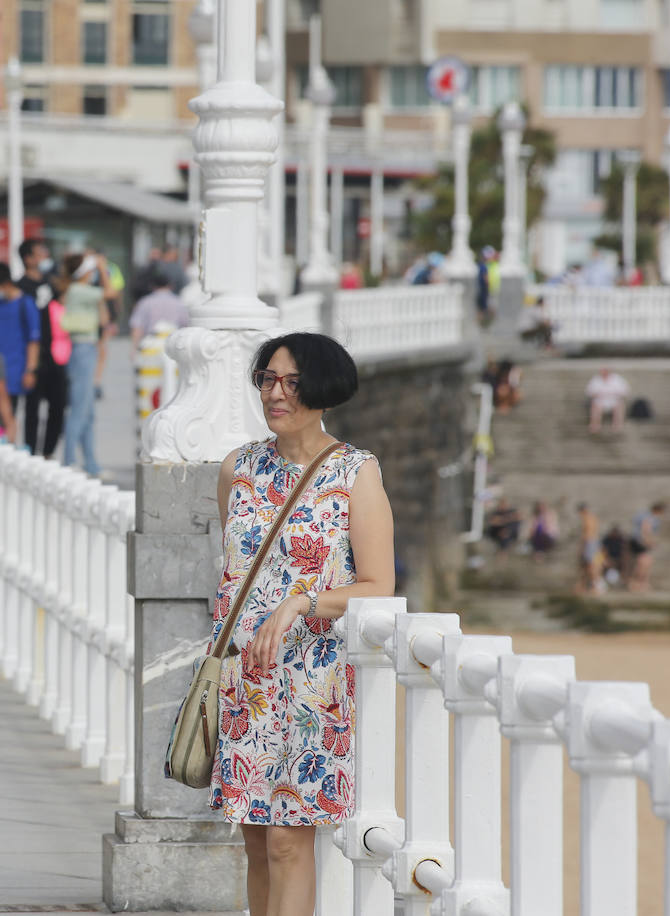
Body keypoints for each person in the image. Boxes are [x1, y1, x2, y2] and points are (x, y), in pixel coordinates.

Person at [209, 331, 394, 913]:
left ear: (323, 389)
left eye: (291, 382)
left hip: (312, 686)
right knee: (256, 842)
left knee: (290, 842)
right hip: (245, 678)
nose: (275, 393)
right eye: (267, 380)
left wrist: (300, 603)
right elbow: (237, 574)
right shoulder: (238, 468)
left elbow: (377, 584)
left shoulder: (354, 472)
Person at [57, 252, 112, 477]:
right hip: (81, 350)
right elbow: (111, 292)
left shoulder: (82, 292)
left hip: (86, 348)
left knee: (88, 413)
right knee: (79, 411)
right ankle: (69, 461)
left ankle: (91, 464)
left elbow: (104, 319)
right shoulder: (79, 290)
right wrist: (102, 268)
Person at [17, 238, 69, 459]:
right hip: (33, 356)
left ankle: (48, 452)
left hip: (56, 354)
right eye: (39, 253)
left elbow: (65, 296)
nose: (44, 257)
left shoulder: (51, 282)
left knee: (58, 405)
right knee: (32, 408)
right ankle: (30, 452)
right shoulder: (20, 287)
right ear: (28, 258)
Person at [0, 262, 41, 423]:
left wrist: (30, 370)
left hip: (14, 370)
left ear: (6, 283)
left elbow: (33, 341)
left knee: (9, 417)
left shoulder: (25, 304)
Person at [128, 271, 190, 347]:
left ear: (152, 286)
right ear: (170, 285)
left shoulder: (145, 302)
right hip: (172, 344)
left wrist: (133, 349)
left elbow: (137, 327)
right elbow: (186, 325)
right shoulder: (179, 302)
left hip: (151, 345)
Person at [628, 502, 666, 592]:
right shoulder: (650, 517)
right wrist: (649, 542)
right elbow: (646, 529)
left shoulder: (644, 514)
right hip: (641, 542)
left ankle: (638, 583)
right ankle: (639, 583)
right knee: (644, 562)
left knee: (642, 562)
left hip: (636, 541)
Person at [586, 366, 631, 434]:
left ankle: (617, 426)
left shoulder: (617, 379)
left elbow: (625, 391)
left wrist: (614, 393)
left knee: (620, 406)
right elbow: (589, 392)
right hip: (600, 402)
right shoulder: (595, 379)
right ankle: (595, 425)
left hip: (614, 401)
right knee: (595, 406)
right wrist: (599, 394)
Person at [577, 503, 603, 594]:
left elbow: (587, 535)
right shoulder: (593, 518)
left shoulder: (587, 519)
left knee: (591, 565)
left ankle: (595, 586)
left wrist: (581, 548)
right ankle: (583, 586)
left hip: (590, 544)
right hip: (596, 543)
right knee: (590, 565)